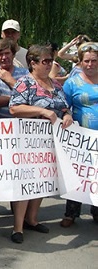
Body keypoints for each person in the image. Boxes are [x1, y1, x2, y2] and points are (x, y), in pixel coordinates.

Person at [9, 44, 73, 243]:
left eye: (51, 61)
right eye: (45, 61)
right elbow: (14, 109)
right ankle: (18, 227)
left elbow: (63, 108)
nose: (49, 65)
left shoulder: (55, 85)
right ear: (33, 63)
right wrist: (41, 111)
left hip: (51, 144)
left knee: (42, 182)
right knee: (26, 182)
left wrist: (68, 115)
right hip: (29, 142)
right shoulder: (25, 83)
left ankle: (32, 219)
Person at [61, 42, 98, 227]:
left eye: (94, 61)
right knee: (78, 174)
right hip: (81, 138)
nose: (90, 64)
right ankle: (71, 213)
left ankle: (96, 211)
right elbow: (62, 104)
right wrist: (66, 114)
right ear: (80, 62)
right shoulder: (72, 83)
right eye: (86, 61)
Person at [0, 39, 29, 119]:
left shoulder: (25, 74)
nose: (4, 57)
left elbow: (32, 97)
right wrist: (16, 98)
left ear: (13, 54)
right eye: (0, 54)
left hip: (21, 123)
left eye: (7, 53)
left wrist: (11, 81)